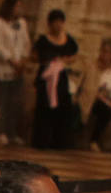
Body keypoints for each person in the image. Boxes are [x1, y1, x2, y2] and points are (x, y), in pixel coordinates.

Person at [32, 9, 79, 148]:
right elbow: (34, 56)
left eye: (60, 22)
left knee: (63, 108)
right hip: (46, 77)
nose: (58, 25)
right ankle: (42, 141)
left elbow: (74, 55)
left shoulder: (68, 39)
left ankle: (61, 142)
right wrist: (48, 61)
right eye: (55, 23)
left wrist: (64, 61)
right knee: (44, 108)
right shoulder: (43, 40)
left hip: (61, 78)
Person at [0, 0, 30, 144]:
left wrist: (23, 61)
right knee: (2, 101)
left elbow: (26, 43)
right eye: (17, 6)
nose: (19, 9)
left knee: (15, 102)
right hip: (3, 68)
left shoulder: (22, 23)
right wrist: (12, 61)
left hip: (18, 68)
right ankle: (0, 131)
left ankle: (12, 132)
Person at [79, 39, 111, 151]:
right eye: (103, 51)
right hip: (96, 98)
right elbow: (89, 87)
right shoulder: (93, 66)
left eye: (107, 52)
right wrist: (105, 98)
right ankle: (93, 140)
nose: (104, 55)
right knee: (105, 110)